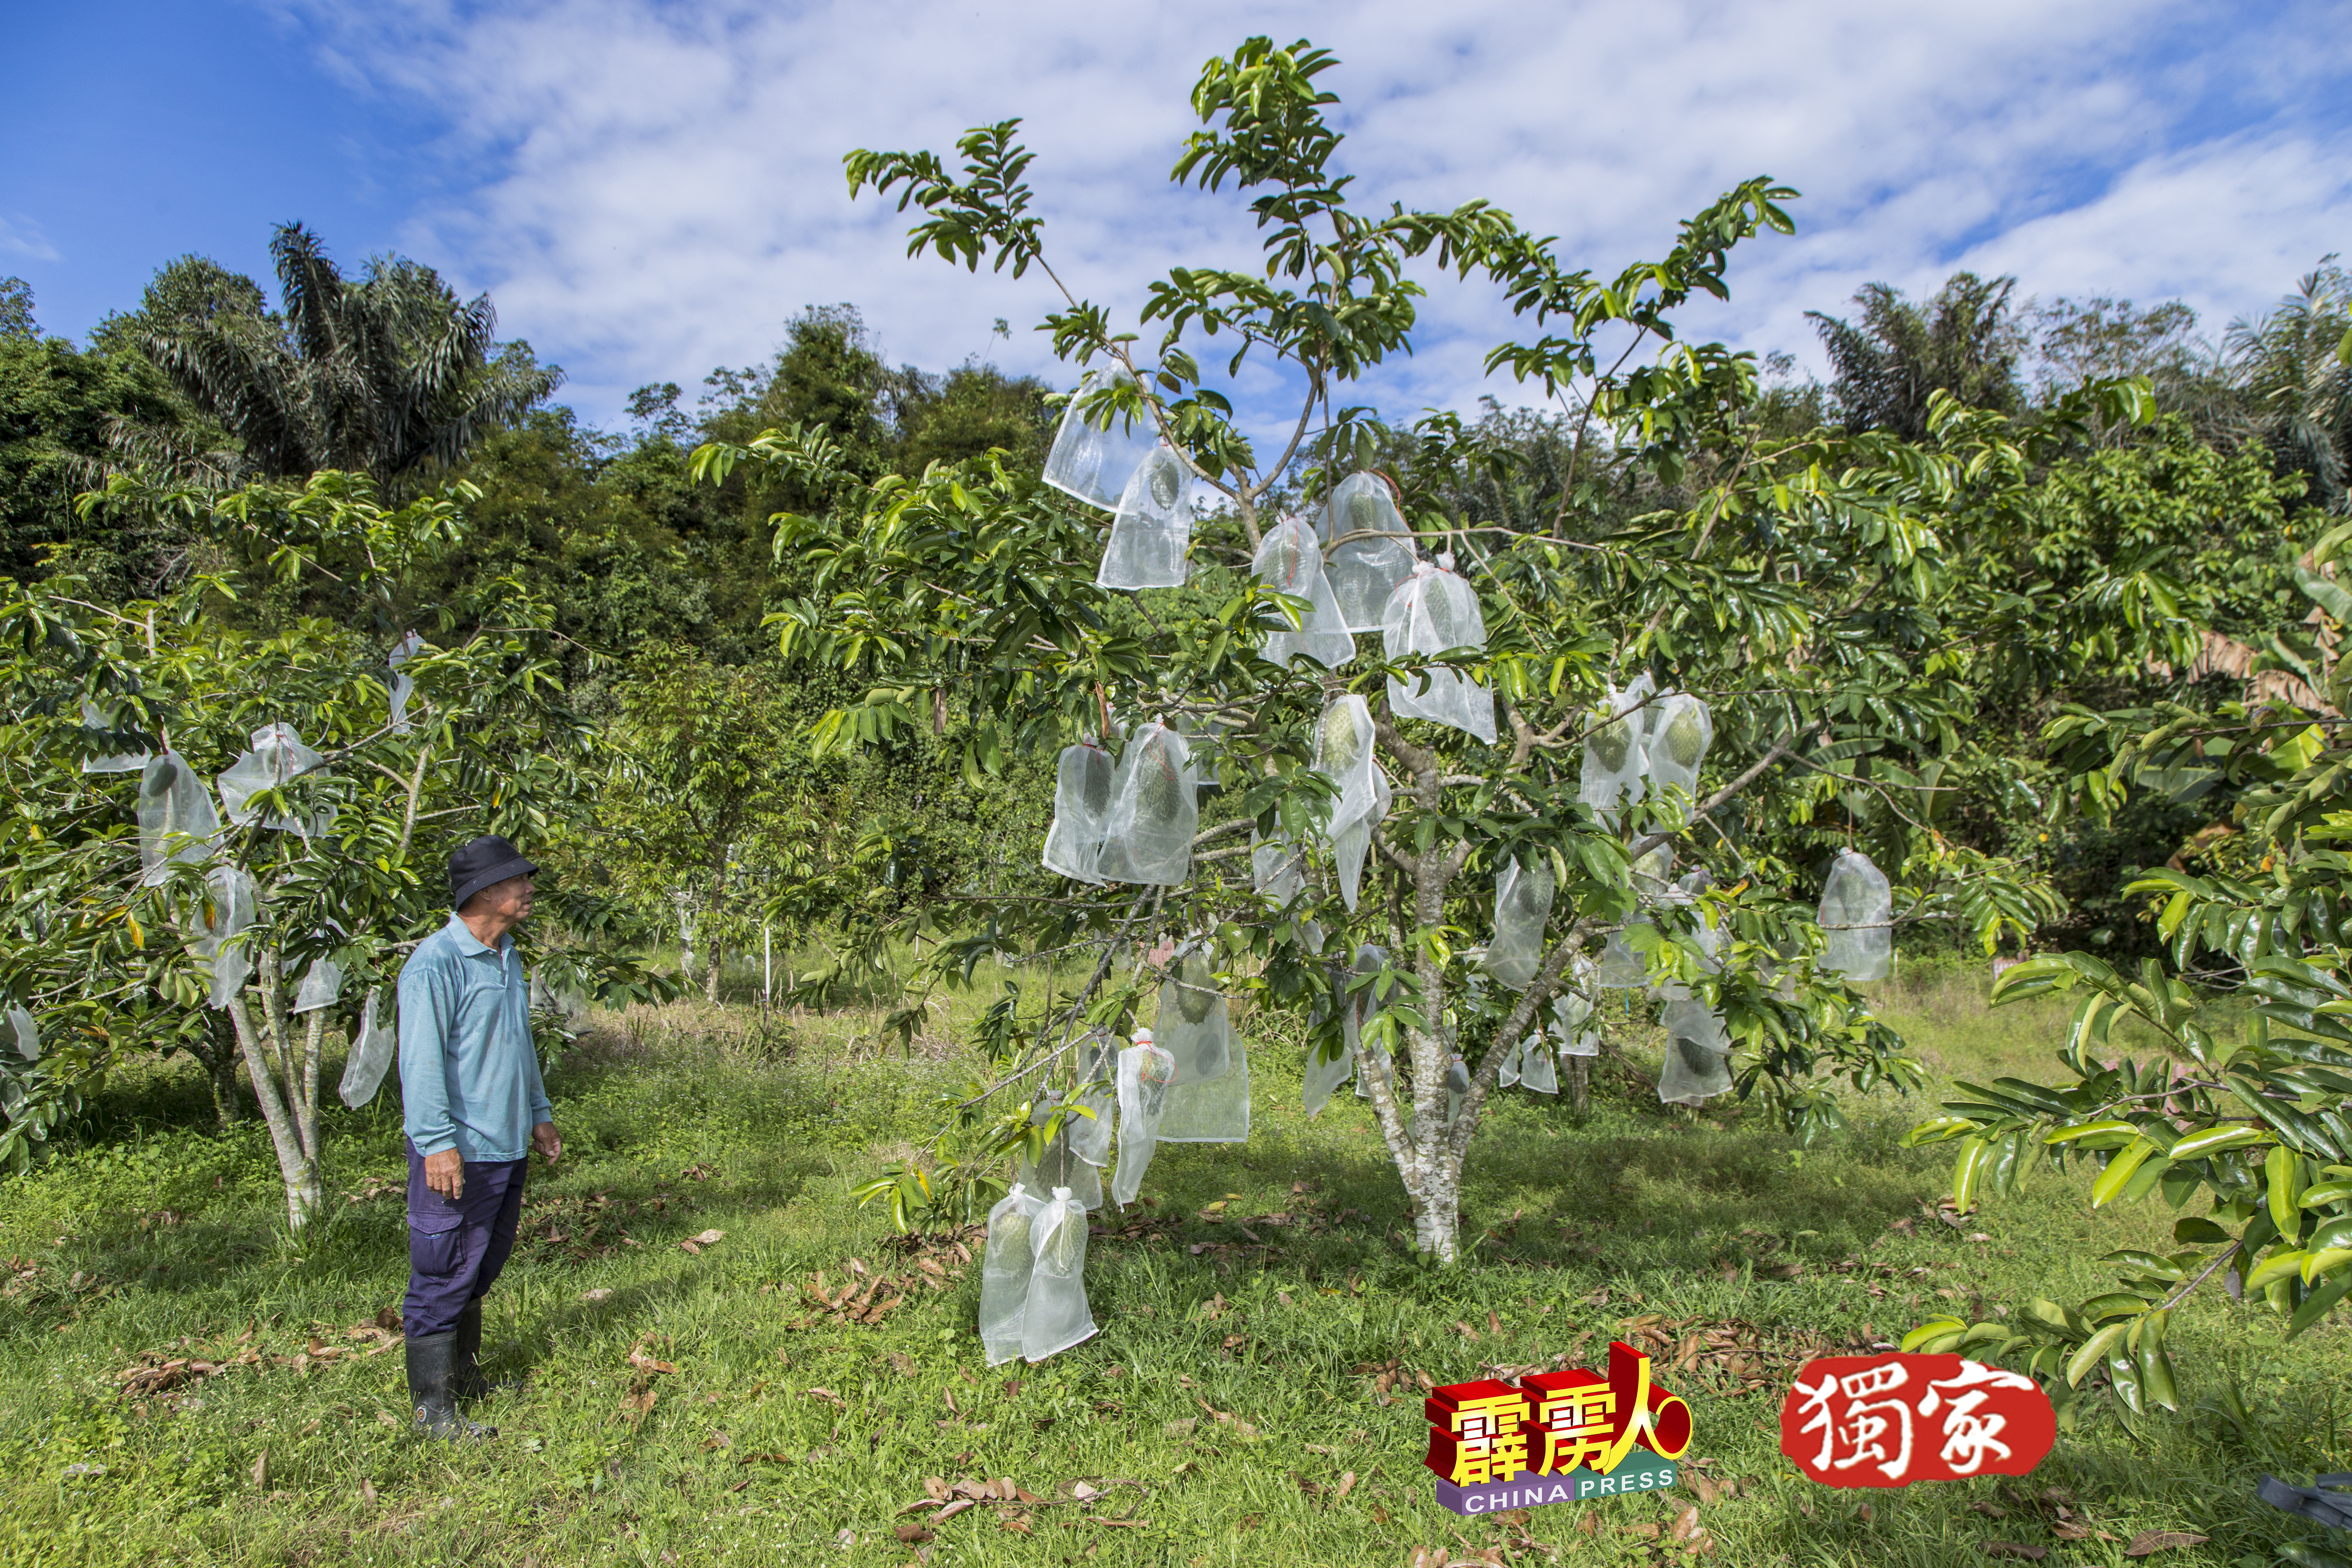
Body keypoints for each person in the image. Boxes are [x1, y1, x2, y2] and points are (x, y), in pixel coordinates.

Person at [397, 834, 562, 1438]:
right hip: (459, 1149)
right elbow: (420, 1064)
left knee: (481, 1263)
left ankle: (464, 1380)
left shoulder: (507, 955)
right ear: (485, 893)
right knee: (443, 1270)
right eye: (518, 881)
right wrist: (437, 1143)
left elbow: (518, 1045)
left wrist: (538, 1112)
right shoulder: (435, 965)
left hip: (506, 1142)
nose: (528, 890)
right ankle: (432, 1411)